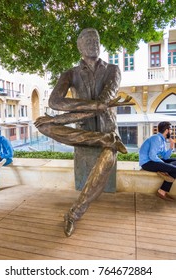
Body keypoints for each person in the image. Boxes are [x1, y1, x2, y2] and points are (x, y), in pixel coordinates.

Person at [35, 28, 134, 237]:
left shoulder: (113, 70)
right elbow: (55, 101)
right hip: (85, 134)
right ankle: (103, 139)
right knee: (43, 125)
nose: (93, 43)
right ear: (79, 46)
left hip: (108, 132)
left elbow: (103, 102)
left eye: (96, 39)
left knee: (106, 161)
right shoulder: (70, 74)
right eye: (88, 40)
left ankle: (73, 213)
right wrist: (56, 119)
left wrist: (66, 115)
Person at [139, 121, 176, 201]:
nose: (172, 131)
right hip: (147, 163)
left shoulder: (162, 140)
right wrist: (164, 166)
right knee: (174, 169)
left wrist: (171, 147)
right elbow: (152, 156)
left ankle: (162, 191)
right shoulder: (156, 138)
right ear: (167, 130)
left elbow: (165, 157)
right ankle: (162, 191)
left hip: (153, 161)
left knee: (173, 166)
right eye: (171, 129)